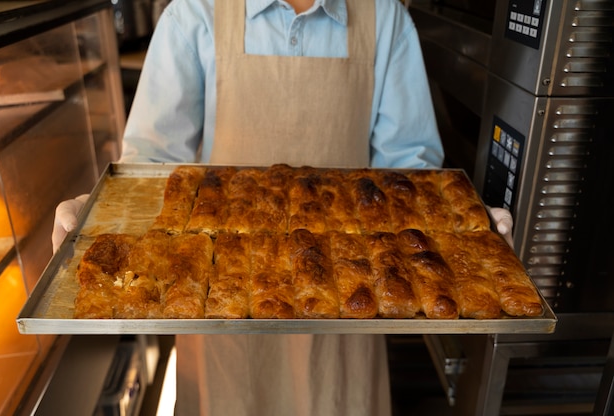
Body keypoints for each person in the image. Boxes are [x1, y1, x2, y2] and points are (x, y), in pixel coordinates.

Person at [53, 0, 513, 414]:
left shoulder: (384, 18)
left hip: (348, 312)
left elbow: (408, 173)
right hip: (220, 310)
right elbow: (149, 171)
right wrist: (95, 213)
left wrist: (466, 237)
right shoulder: (195, 14)